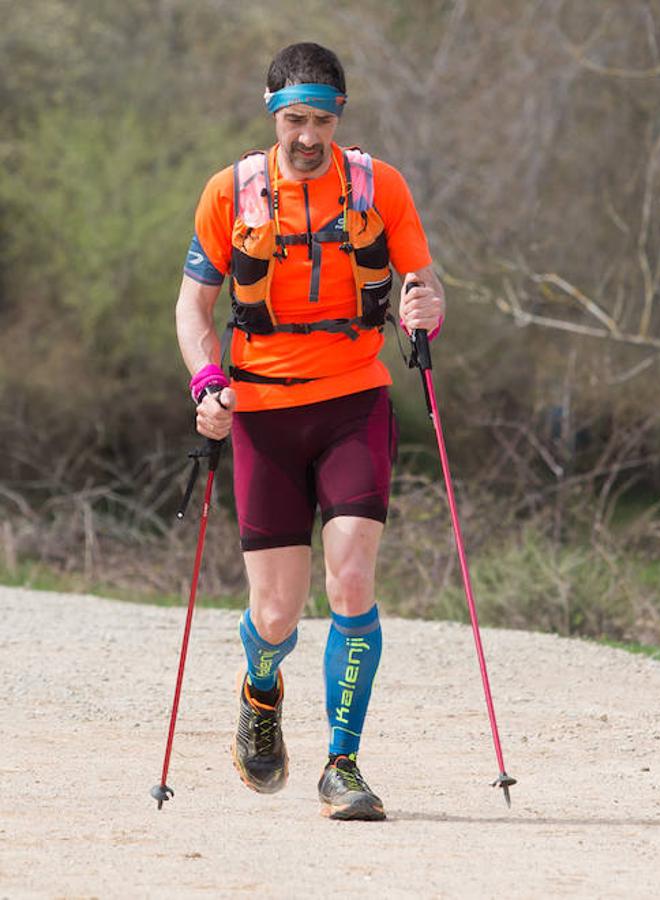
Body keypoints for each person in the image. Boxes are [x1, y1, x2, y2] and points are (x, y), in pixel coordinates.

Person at [174, 42, 444, 821]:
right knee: (276, 615)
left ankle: (343, 763)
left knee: (353, 578)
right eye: (294, 119)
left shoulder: (378, 186)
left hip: (354, 402)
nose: (307, 136)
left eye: (321, 120)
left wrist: (425, 309)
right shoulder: (230, 193)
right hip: (260, 412)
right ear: (272, 114)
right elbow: (194, 307)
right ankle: (260, 691)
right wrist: (207, 382)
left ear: (339, 118)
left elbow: (424, 286)